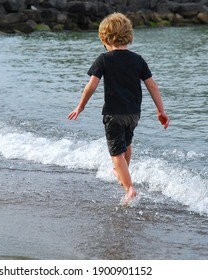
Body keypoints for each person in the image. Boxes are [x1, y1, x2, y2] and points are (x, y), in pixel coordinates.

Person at [67, 12, 169, 206]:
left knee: (116, 153)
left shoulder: (104, 59)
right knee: (126, 144)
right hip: (133, 114)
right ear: (128, 36)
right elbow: (152, 86)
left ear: (105, 38)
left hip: (114, 114)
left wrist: (80, 106)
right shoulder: (138, 59)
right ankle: (124, 173)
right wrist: (160, 111)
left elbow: (91, 86)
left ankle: (129, 188)